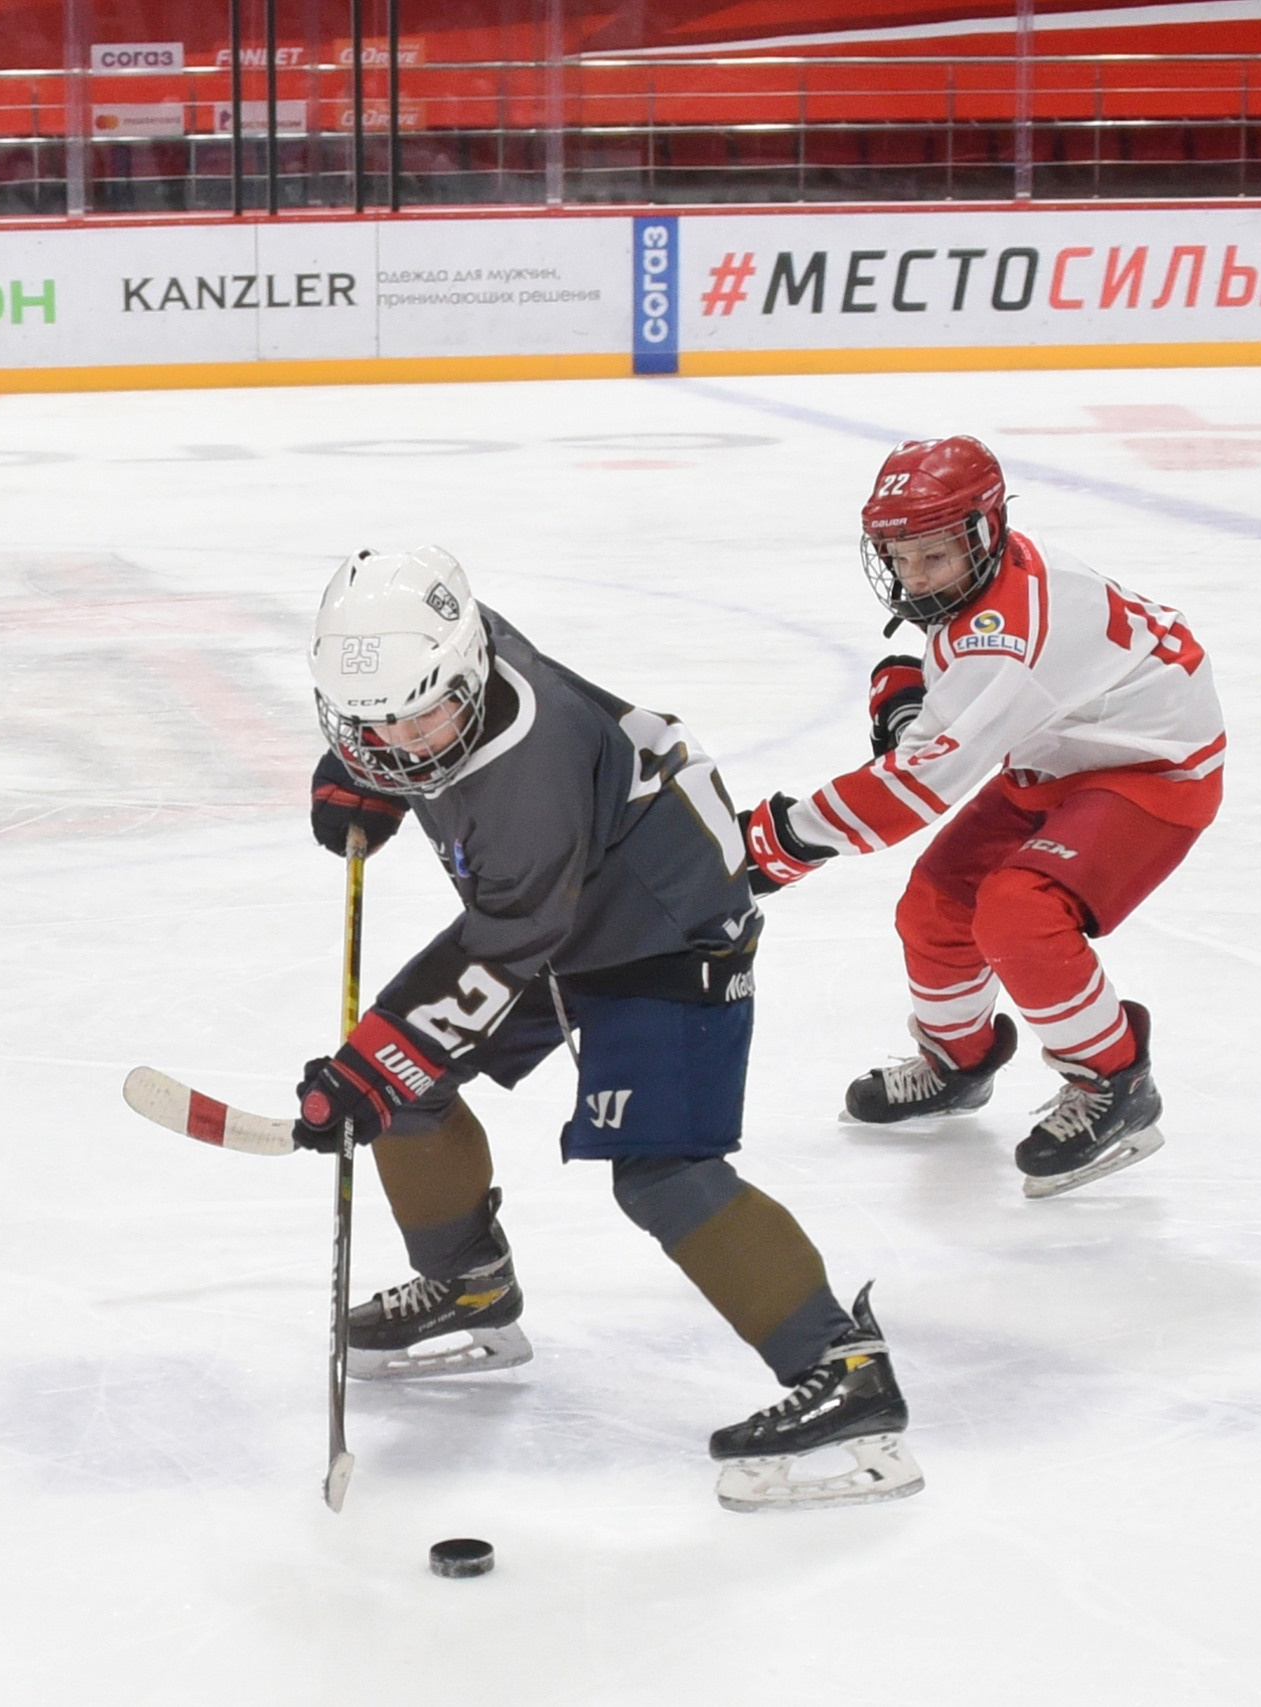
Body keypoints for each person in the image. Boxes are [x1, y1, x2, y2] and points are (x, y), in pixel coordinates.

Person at [295, 544, 922, 1511]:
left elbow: (510, 937)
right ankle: (469, 1285)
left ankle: (845, 1371)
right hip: (572, 900)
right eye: (374, 725)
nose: (405, 743)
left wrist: (374, 1063)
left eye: (419, 718)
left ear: (467, 671)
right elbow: (425, 762)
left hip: (666, 928)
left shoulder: (530, 772)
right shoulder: (445, 658)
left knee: (661, 1172)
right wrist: (370, 774)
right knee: (405, 1087)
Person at [740, 436, 1225, 1199]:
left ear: (985, 528)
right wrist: (910, 703)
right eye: (899, 557)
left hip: (1153, 772)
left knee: (1019, 911)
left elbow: (914, 789)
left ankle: (1117, 1082)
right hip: (1060, 753)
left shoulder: (1008, 632)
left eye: (932, 556)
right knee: (936, 902)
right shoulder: (986, 577)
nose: (913, 576)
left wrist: (778, 841)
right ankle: (958, 1062)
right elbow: (951, 691)